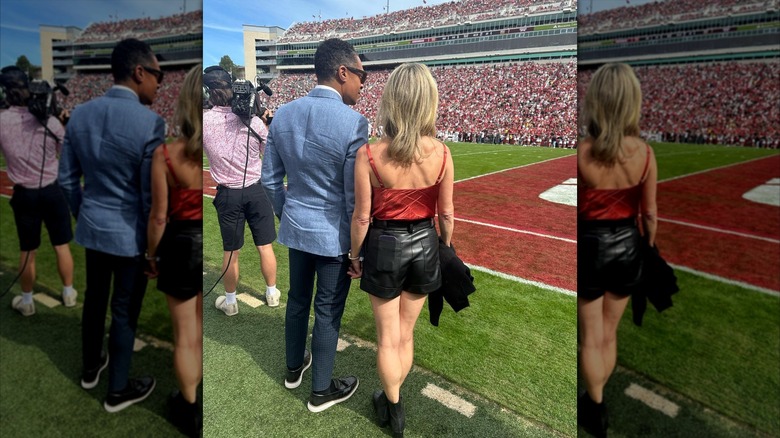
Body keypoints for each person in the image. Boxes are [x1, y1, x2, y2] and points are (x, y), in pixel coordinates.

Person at [261, 38, 368, 413]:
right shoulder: (354, 122)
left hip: (296, 226)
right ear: (342, 72)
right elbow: (354, 199)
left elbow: (271, 180)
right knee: (326, 312)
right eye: (361, 75)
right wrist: (358, 250)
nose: (362, 83)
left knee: (296, 301)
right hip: (333, 235)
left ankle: (294, 368)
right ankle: (320, 391)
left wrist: (285, 213)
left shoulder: (284, 114)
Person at [348, 63, 455, 437]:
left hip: (384, 245)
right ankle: (393, 398)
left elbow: (362, 218)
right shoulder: (442, 152)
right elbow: (447, 214)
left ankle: (394, 408)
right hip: (425, 243)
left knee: (387, 338)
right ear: (429, 102)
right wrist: (446, 247)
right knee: (406, 336)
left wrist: (354, 257)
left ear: (392, 101)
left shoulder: (371, 153)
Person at [58, 38, 164, 413]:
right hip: (130, 234)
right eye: (157, 74)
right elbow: (151, 199)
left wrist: (82, 214)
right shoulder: (151, 123)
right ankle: (117, 390)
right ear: (139, 72)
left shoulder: (80, 114)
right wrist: (154, 249)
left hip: (93, 226)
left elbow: (68, 180)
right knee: (123, 313)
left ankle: (91, 367)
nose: (159, 83)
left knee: (94, 301)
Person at [577, 63, 658, 438]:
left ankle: (595, 405)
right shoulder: (644, 153)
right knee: (609, 333)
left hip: (591, 247)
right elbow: (650, 215)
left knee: (592, 337)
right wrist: (649, 248)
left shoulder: (584, 152)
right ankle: (598, 400)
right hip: (627, 245)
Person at [145, 64, 203, 437]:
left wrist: (151, 257)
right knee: (196, 331)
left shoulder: (167, 154)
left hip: (180, 244)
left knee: (185, 334)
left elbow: (159, 218)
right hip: (202, 243)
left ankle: (190, 407)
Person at [202, 65, 279, 315]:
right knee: (265, 246)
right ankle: (272, 293)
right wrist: (262, 122)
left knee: (231, 251)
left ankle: (231, 301)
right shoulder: (253, 121)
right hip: (257, 191)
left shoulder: (202, 121)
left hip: (227, 194)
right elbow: (268, 152)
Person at [0, 66, 76, 315]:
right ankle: (68, 294)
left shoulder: (2, 120)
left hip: (24, 194)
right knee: (61, 245)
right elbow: (67, 150)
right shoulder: (49, 120)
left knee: (28, 249)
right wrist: (59, 120)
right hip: (52, 191)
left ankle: (27, 300)